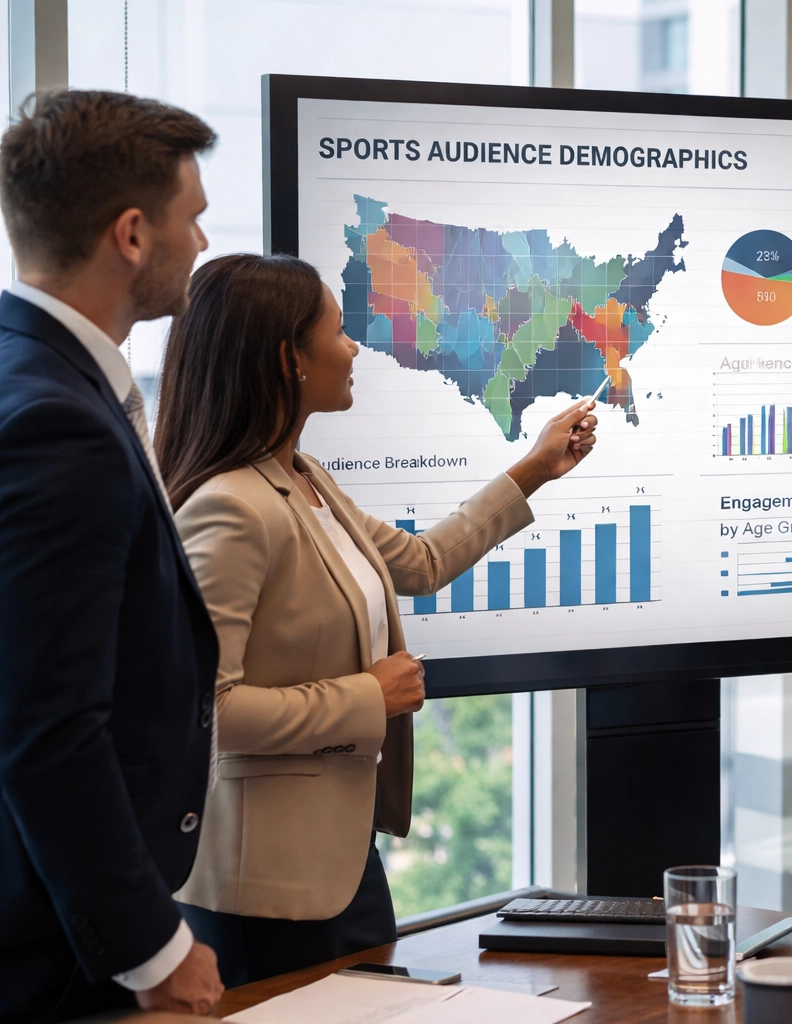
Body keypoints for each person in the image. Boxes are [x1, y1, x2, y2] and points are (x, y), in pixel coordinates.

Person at [153, 252, 596, 986]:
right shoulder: (230, 506)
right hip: (267, 892)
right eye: (335, 330)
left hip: (343, 861)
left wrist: (535, 468)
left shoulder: (301, 476)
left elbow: (418, 563)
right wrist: (369, 696)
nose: (354, 346)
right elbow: (209, 710)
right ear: (286, 359)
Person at [0, 91, 226, 1020]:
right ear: (132, 235)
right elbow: (45, 724)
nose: (204, 243)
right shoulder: (61, 424)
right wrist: (153, 950)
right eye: (194, 218)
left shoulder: (36, 376)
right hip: (55, 951)